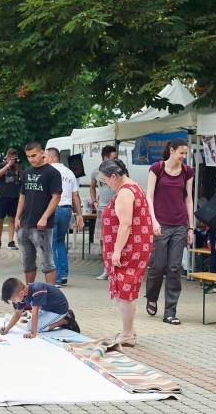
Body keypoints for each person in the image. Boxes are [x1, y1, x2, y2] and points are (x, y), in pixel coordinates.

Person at [98, 158, 153, 347]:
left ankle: (128, 333)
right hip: (134, 247)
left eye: (105, 179)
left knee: (125, 290)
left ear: (114, 176)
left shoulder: (124, 192)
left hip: (129, 249)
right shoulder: (133, 187)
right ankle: (127, 330)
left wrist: (116, 252)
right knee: (125, 289)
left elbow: (126, 224)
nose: (105, 183)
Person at [145, 138, 194, 325]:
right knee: (157, 266)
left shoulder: (187, 172)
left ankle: (170, 312)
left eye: (185, 153)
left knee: (174, 268)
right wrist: (154, 222)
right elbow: (149, 198)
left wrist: (191, 227)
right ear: (172, 151)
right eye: (181, 153)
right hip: (160, 224)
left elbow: (188, 200)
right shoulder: (156, 168)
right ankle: (151, 296)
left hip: (180, 224)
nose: (184, 156)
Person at [15, 141, 62, 284]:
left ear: (42, 153)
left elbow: (56, 197)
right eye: (28, 156)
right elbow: (23, 196)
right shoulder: (27, 172)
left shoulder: (52, 173)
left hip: (42, 226)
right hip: (24, 225)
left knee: (47, 263)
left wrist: (44, 217)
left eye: (34, 155)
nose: (31, 159)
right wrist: (17, 217)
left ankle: (51, 297)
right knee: (27, 263)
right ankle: (29, 294)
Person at [46, 147, 84, 286]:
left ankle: (57, 277)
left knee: (52, 244)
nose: (44, 159)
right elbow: (76, 195)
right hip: (67, 210)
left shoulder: (49, 171)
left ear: (51, 157)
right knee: (61, 242)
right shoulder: (70, 172)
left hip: (53, 210)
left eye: (45, 157)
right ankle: (64, 274)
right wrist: (79, 214)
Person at [0, 277, 79, 338]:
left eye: (14, 300)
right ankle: (58, 320)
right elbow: (17, 313)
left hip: (58, 309)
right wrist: (7, 329)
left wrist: (33, 333)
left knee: (37, 329)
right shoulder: (22, 296)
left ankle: (65, 320)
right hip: (47, 309)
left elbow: (34, 313)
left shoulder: (37, 290)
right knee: (29, 327)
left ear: (21, 292)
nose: (14, 302)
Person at [91, 145, 117, 280]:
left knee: (117, 239)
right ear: (105, 158)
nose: (116, 160)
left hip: (117, 209)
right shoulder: (96, 172)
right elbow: (91, 187)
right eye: (114, 158)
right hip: (102, 208)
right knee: (103, 240)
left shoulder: (119, 171)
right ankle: (106, 268)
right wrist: (94, 201)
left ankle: (116, 269)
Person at [0, 148, 22, 249]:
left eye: (15, 158)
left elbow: (22, 180)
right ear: (8, 157)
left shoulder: (17, 167)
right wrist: (8, 165)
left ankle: (11, 241)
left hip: (14, 196)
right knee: (0, 219)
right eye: (12, 158)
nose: (14, 160)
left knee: (12, 219)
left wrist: (19, 170)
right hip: (3, 196)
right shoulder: (1, 165)